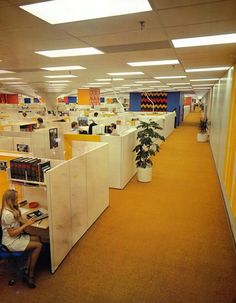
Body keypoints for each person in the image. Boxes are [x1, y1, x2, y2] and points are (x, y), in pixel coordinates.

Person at [0, 189, 42, 288]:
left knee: (38, 238)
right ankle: (30, 275)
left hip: (16, 237)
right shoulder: (7, 214)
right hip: (11, 242)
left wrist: (27, 220)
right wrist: (26, 224)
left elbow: (18, 220)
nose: (17, 200)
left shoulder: (11, 209)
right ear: (10, 200)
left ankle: (26, 267)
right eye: (16, 199)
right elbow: (12, 234)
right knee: (39, 245)